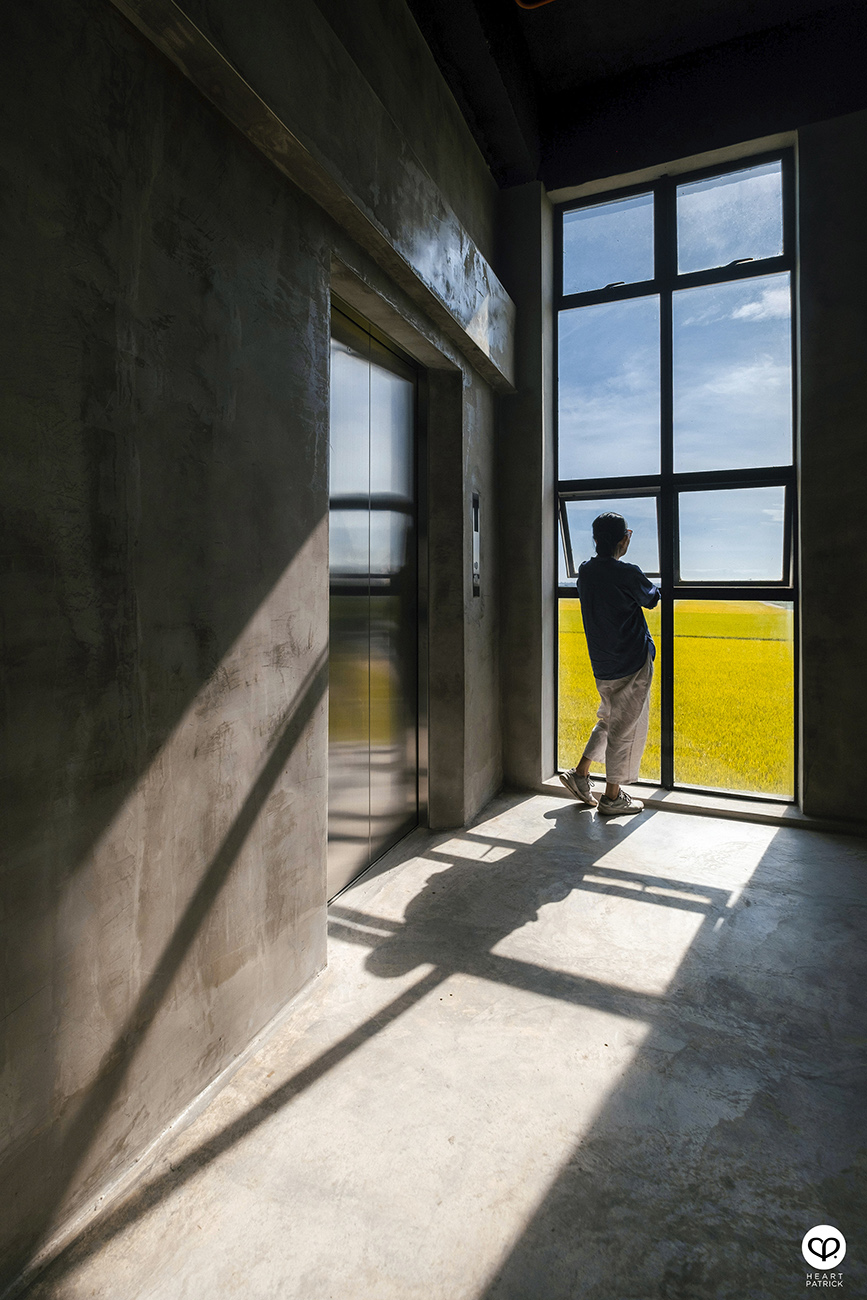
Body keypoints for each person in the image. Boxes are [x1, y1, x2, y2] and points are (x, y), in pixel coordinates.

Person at [560, 512, 660, 815]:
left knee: (609, 719)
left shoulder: (586, 571)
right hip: (630, 661)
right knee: (624, 729)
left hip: (602, 662)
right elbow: (652, 598)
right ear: (624, 539)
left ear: (594, 540)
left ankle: (580, 774)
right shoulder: (628, 573)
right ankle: (612, 797)